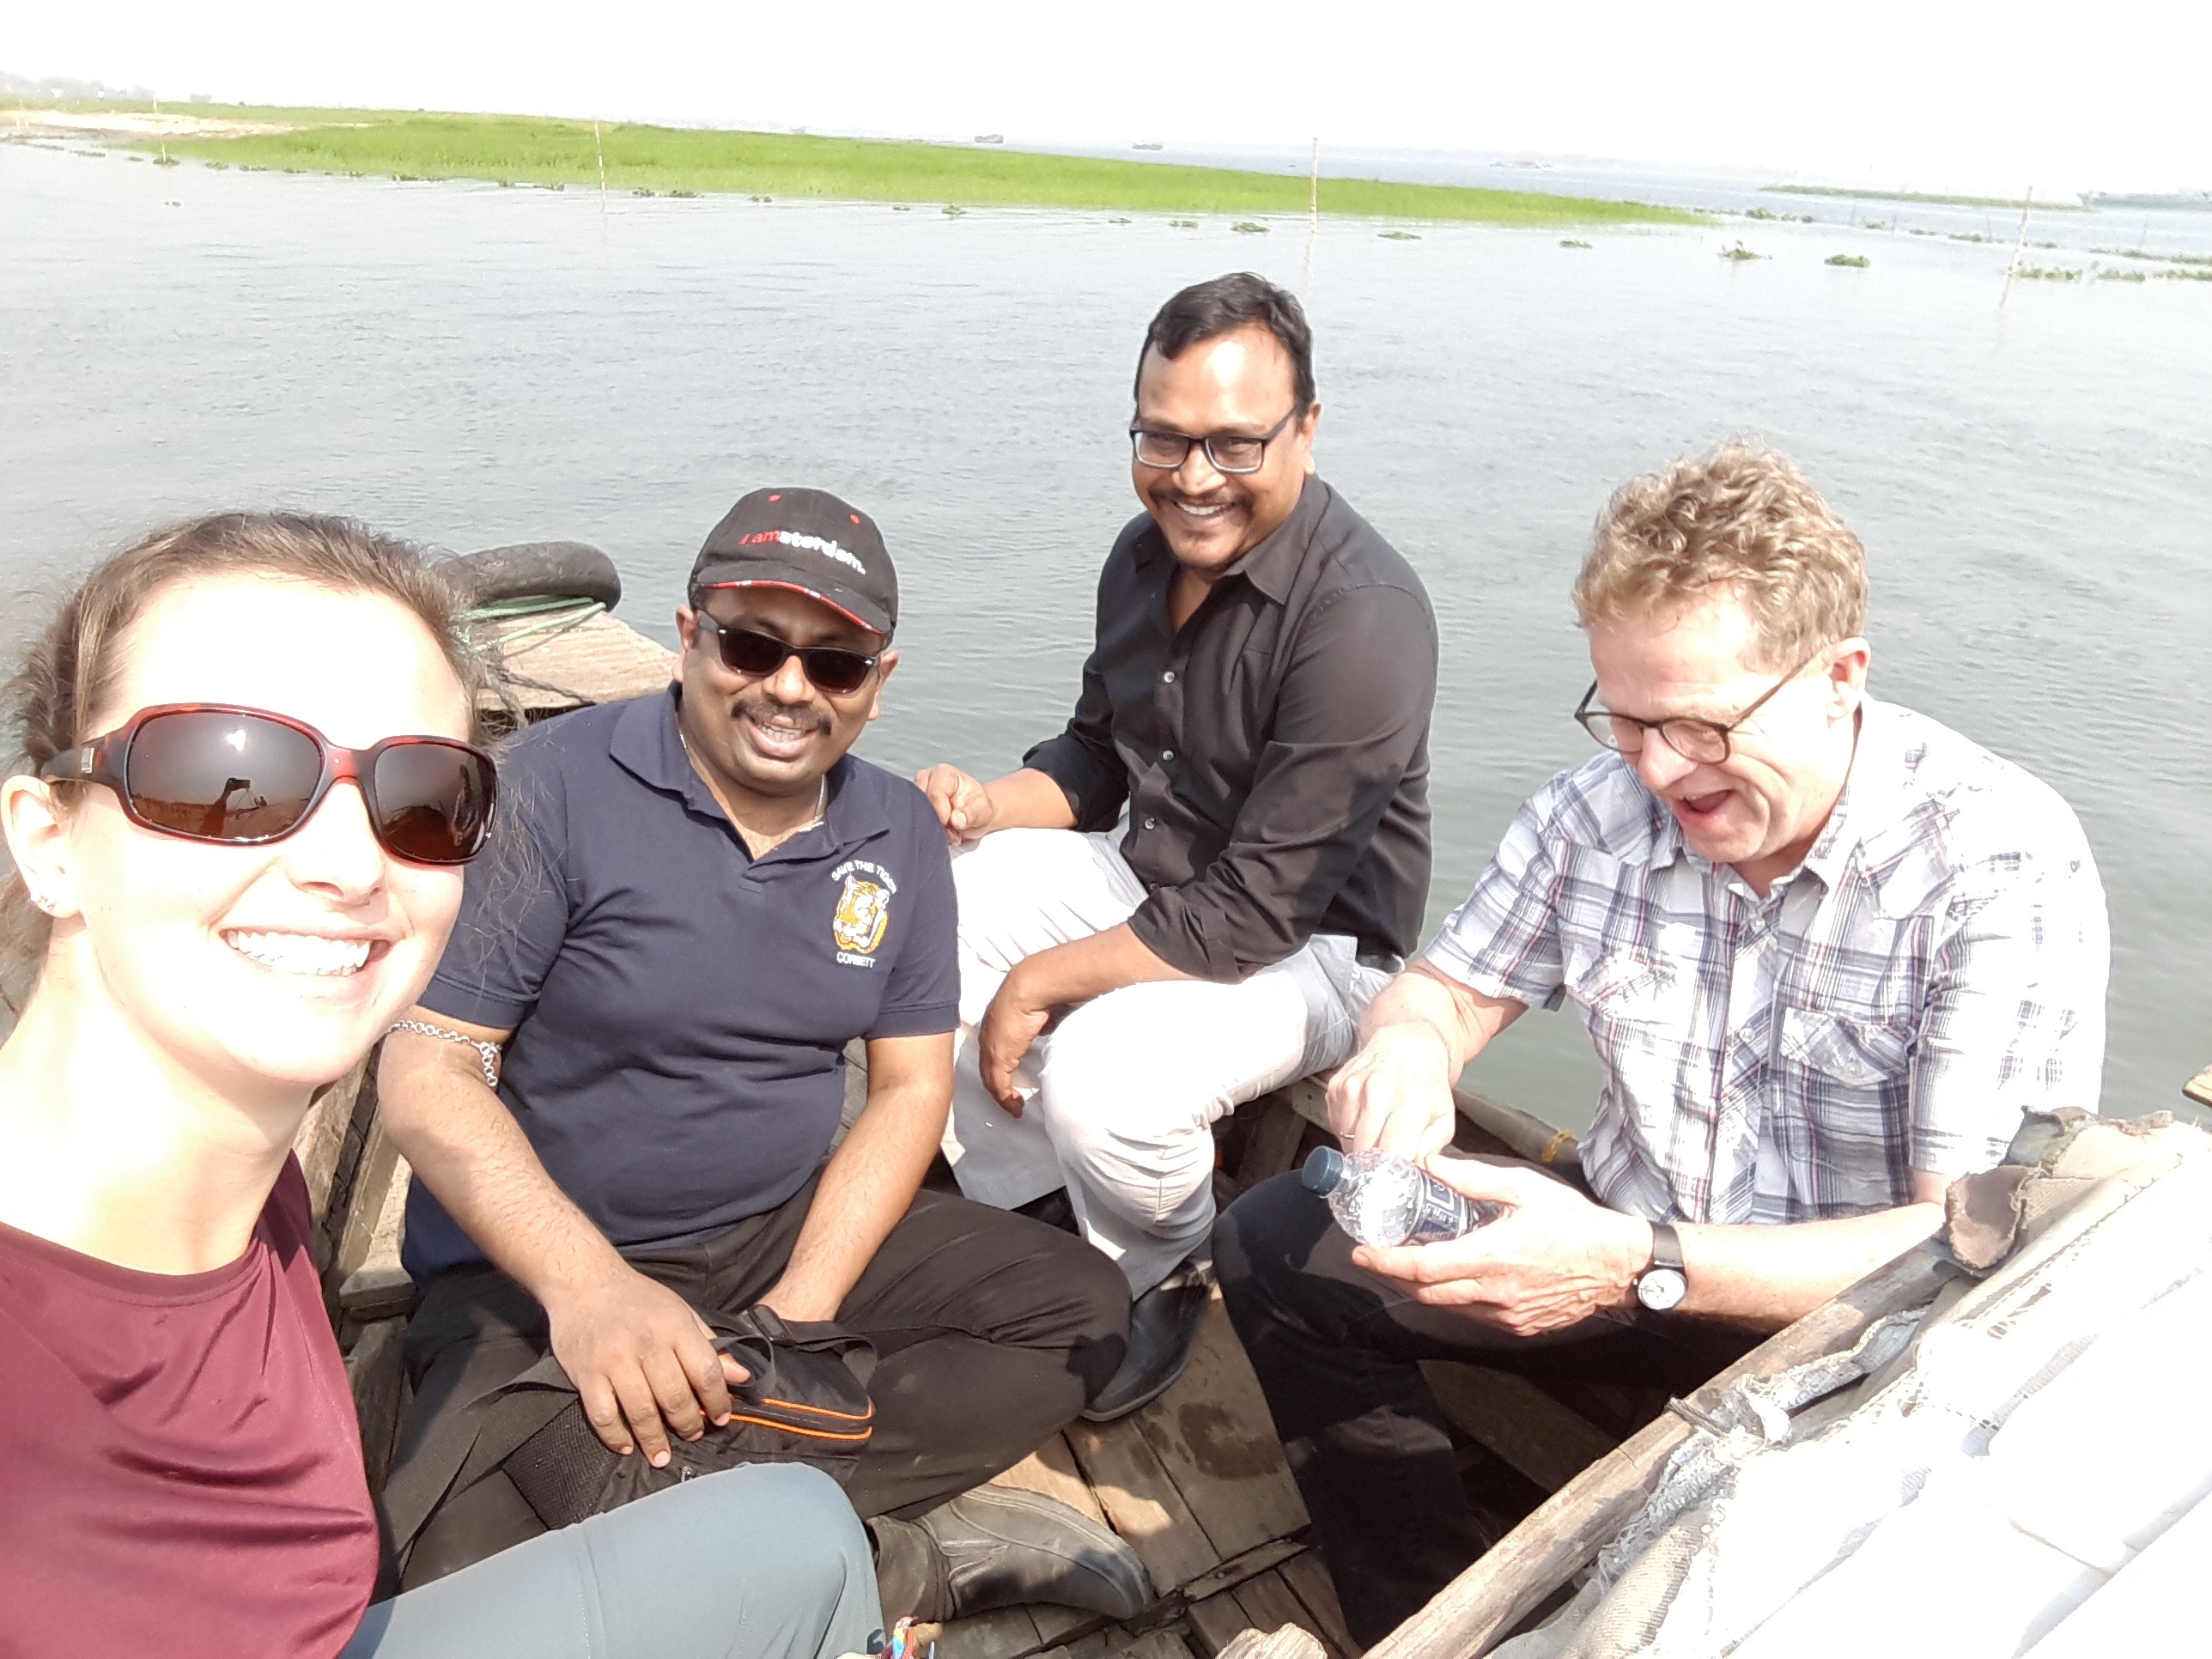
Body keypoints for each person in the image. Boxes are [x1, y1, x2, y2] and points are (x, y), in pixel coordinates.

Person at [1215, 441, 2112, 1644]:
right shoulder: (1599, 812)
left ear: (1840, 675)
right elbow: (1441, 990)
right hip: (1629, 1257)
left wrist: (1642, 1258)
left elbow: (1971, 1245)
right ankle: (1428, 1613)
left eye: (1698, 724)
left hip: (1868, 1341)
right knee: (1277, 1247)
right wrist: (1412, 1054)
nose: (1660, 769)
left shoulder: (1994, 864)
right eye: (1624, 719)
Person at [0, 512, 882, 1659]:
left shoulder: (237, 1163)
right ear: (49, 840)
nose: (348, 861)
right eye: (231, 775)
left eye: (422, 798)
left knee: (803, 1530)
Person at [377, 487, 1146, 1626]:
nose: (791, 688)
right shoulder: (552, 790)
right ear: (691, 639)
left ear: (878, 687)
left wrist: (795, 1315)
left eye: (835, 665)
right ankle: (899, 1564)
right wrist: (591, 1293)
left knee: (1081, 1312)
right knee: (455, 1581)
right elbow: (427, 1075)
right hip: (535, 1278)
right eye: (754, 644)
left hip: (770, 1231)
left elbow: (907, 1091)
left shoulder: (896, 837)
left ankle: (717, 1497)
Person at [915, 272, 1439, 1417]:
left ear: (1306, 429)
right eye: (1165, 438)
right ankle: (1027, 1201)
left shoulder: (1364, 619)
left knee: (1109, 1078)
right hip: (1158, 866)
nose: (1194, 478)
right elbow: (1101, 758)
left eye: (1235, 444)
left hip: (1317, 946)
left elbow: (1255, 909)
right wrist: (985, 806)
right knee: (939, 892)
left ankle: (1168, 1261)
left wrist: (1041, 983)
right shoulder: (1142, 557)